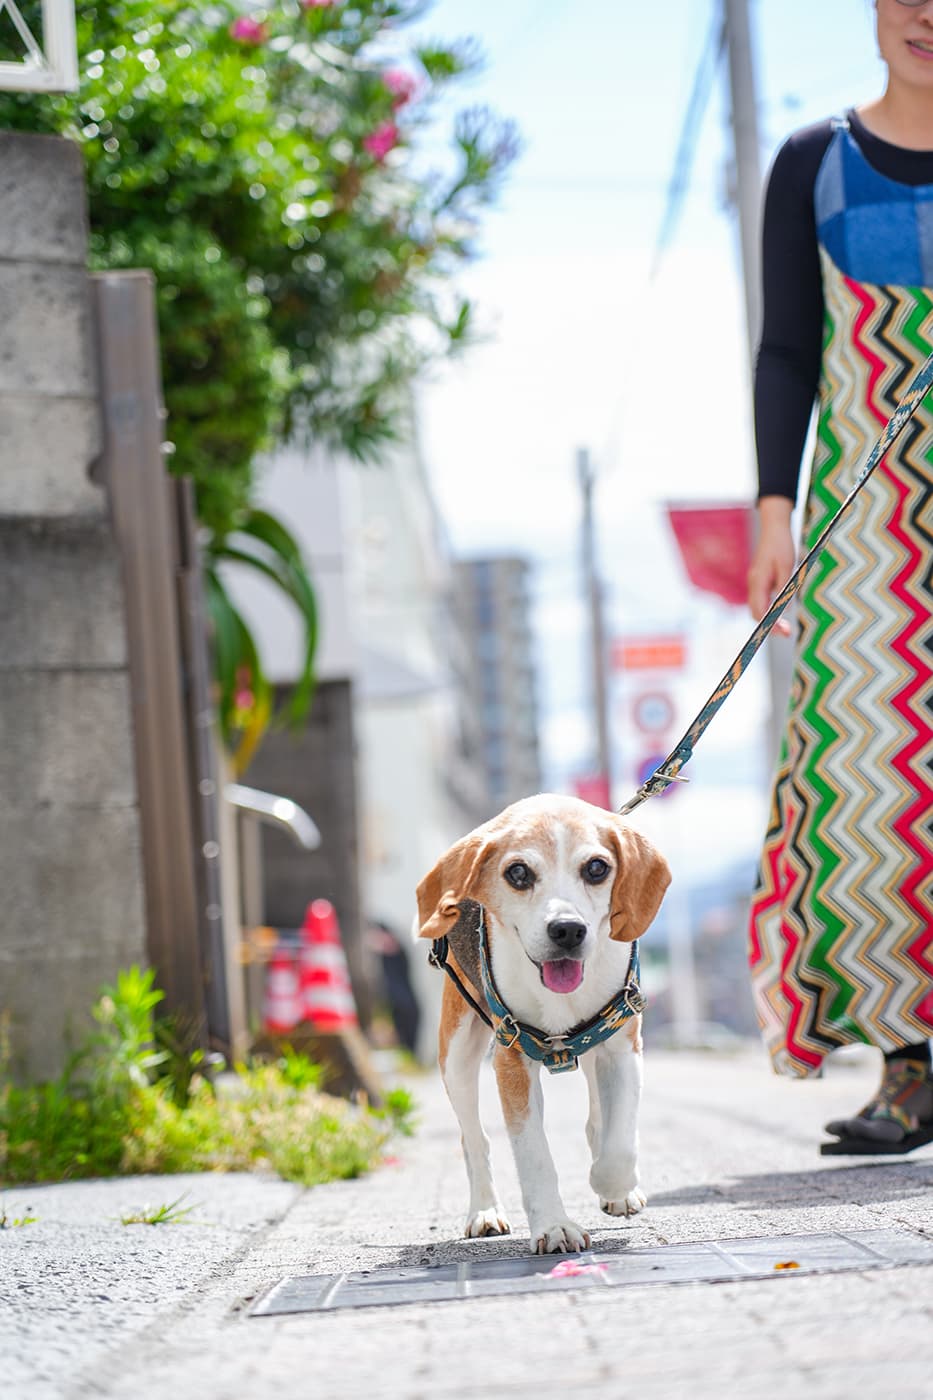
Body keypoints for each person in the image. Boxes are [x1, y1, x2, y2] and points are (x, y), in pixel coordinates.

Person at [747, 0, 933, 1153]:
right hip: (870, 533)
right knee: (875, 785)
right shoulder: (814, 163)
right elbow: (787, 348)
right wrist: (776, 506)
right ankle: (911, 1058)